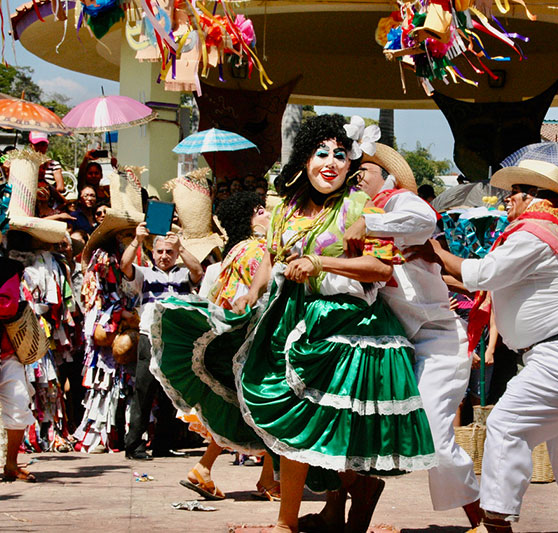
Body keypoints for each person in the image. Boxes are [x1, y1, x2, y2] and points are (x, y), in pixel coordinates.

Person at [151, 115, 435, 533]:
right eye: (322, 153)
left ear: (351, 163)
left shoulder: (361, 207)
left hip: (346, 327)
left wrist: (321, 262)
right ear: (304, 159)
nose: (331, 162)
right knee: (291, 421)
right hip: (288, 321)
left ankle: (340, 498)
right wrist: (252, 292)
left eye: (341, 154)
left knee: (326, 428)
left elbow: (379, 268)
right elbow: (271, 256)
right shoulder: (287, 207)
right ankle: (301, 516)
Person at [411, 159, 558, 533]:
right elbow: (489, 284)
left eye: (515, 192)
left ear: (534, 196)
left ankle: (495, 522)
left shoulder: (536, 232)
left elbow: (484, 273)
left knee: (505, 426)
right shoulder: (552, 233)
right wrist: (439, 265)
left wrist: (436, 252)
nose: (507, 199)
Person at [341, 142, 482, 527]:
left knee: (434, 436)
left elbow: (423, 219)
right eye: (353, 173)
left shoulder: (398, 202)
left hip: (438, 339)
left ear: (386, 176)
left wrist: (369, 223)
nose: (356, 178)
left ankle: (485, 519)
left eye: (363, 171)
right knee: (355, 426)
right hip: (389, 347)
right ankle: (345, 515)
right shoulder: (349, 212)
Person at [180, 191, 280, 501]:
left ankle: (208, 469)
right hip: (257, 339)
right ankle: (267, 480)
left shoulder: (235, 250)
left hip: (239, 340)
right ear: (249, 219)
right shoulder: (255, 249)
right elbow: (270, 290)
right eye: (261, 211)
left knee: (245, 407)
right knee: (272, 405)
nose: (267, 215)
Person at [121, 222, 203, 460]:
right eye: (160, 251)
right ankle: (134, 446)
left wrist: (182, 247)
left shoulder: (183, 273)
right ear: (152, 253)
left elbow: (198, 271)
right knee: (143, 391)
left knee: (172, 393)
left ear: (176, 254)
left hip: (176, 341)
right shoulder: (143, 273)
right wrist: (137, 240)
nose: (164, 255)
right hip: (150, 337)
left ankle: (163, 445)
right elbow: (124, 265)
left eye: (169, 251)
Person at [0, 258, 37, 482]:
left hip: (6, 351)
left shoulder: (7, 268)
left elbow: (8, 306)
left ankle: (11, 464)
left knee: (18, 403)